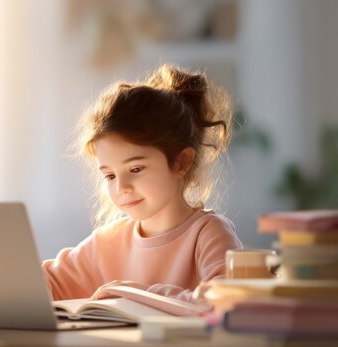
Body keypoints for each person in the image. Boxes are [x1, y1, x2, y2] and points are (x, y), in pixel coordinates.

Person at [42, 64, 243, 303]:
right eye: (110, 176)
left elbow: (227, 300)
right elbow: (43, 284)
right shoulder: (107, 242)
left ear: (181, 162)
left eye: (135, 169)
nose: (121, 187)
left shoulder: (208, 234)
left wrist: (138, 294)